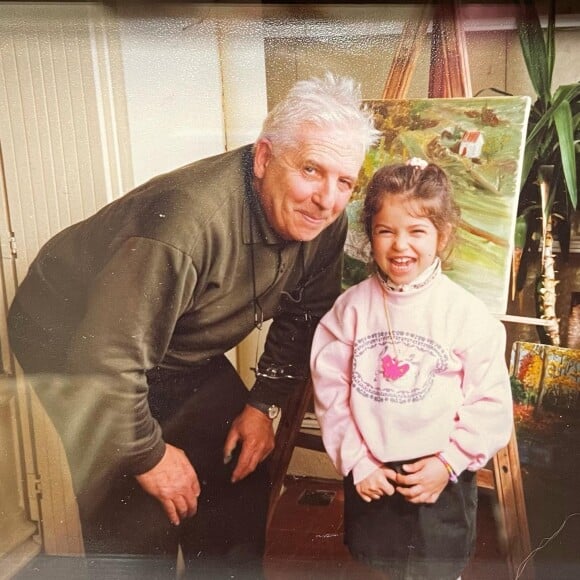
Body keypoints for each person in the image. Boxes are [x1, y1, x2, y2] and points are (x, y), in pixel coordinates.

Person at [7, 73, 380, 579]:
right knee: (135, 508)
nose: (328, 199)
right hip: (72, 337)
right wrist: (148, 457)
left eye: (345, 181)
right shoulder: (185, 226)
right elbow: (106, 363)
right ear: (265, 158)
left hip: (165, 340)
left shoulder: (325, 217)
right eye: (312, 170)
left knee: (239, 468)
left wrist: (262, 403)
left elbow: (305, 312)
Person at [310, 159, 514, 580]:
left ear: (443, 236)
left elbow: (490, 405)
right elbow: (330, 392)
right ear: (371, 236)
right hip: (372, 472)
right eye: (387, 231)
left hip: (442, 476)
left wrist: (449, 461)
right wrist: (356, 460)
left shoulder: (466, 315)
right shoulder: (349, 310)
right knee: (374, 570)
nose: (401, 245)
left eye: (417, 231)